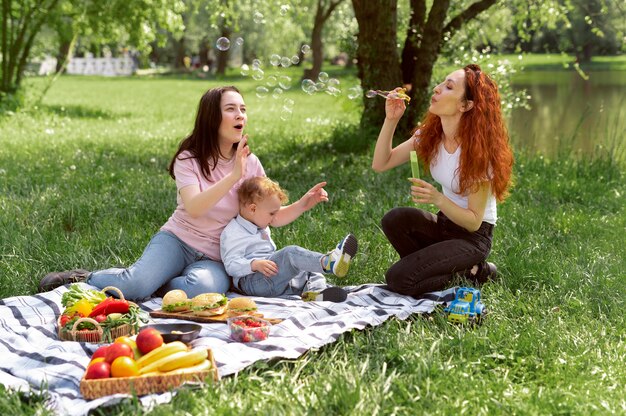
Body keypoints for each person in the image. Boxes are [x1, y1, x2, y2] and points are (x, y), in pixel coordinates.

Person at [38, 86, 329, 300]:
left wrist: (304, 203)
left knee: (203, 289)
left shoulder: (250, 162)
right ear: (212, 118)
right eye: (231, 109)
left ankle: (158, 282)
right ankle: (86, 276)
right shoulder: (189, 158)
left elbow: (270, 217)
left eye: (243, 109)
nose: (240, 114)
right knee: (137, 287)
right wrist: (233, 176)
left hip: (216, 258)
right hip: (178, 240)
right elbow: (195, 207)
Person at [371, 64, 514, 298]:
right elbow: (381, 163)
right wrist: (391, 119)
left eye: (448, 87)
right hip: (445, 225)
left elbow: (473, 222)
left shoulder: (478, 154)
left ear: (466, 105)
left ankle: (473, 272)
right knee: (395, 219)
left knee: (398, 280)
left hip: (472, 238)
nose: (437, 89)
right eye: (441, 83)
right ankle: (443, 268)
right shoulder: (431, 135)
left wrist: (437, 198)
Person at [220, 176, 358, 302]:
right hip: (253, 282)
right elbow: (231, 264)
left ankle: (315, 293)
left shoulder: (260, 224)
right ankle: (328, 262)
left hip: (272, 280)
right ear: (253, 209)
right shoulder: (234, 232)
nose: (274, 218)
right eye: (272, 213)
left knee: (308, 266)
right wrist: (253, 264)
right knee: (290, 253)